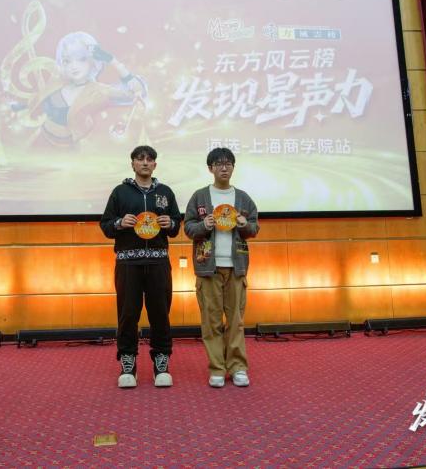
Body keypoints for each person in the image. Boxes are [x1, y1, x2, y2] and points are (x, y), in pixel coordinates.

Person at [100, 146, 182, 388]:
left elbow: (177, 225)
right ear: (133, 164)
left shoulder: (165, 192)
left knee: (160, 313)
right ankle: (128, 362)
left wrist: (170, 223)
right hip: (128, 263)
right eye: (140, 159)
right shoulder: (120, 192)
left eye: (150, 159)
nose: (145, 163)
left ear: (155, 164)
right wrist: (119, 222)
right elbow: (105, 225)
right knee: (127, 315)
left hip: (158, 262)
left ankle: (161, 362)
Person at [183, 147, 259, 388]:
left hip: (236, 268)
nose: (224, 168)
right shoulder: (200, 196)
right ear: (210, 168)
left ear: (233, 167)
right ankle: (217, 368)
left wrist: (245, 224)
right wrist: (203, 225)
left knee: (236, 321)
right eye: (219, 164)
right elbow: (188, 228)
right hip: (208, 268)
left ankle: (238, 367)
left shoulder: (243, 198)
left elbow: (254, 228)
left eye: (228, 164)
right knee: (211, 321)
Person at [14, 31, 146, 146]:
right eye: (67, 61)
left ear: (93, 60)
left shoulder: (99, 91)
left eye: (81, 59)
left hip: (67, 150)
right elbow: (39, 101)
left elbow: (136, 93)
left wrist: (112, 61)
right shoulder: (58, 83)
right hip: (39, 140)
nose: (73, 66)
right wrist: (21, 107)